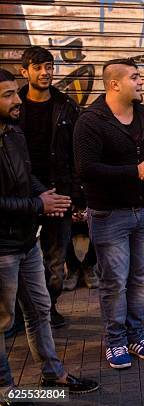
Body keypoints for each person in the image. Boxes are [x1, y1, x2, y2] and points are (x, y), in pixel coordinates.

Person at [0, 68, 99, 403]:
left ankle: (53, 376)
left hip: (25, 242)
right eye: (8, 95)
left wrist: (52, 198)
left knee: (40, 310)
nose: (18, 100)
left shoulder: (13, 133)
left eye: (16, 92)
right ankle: (5, 390)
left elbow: (28, 177)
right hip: (2, 247)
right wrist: (36, 204)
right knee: (2, 320)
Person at [74, 58, 144, 369]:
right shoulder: (91, 121)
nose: (142, 82)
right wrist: (134, 172)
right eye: (136, 77)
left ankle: (135, 334)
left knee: (140, 278)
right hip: (108, 216)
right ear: (115, 84)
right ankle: (115, 341)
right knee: (114, 281)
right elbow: (86, 169)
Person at [18, 46, 81, 328]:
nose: (45, 73)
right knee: (19, 258)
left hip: (59, 193)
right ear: (25, 71)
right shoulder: (12, 106)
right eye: (38, 67)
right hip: (22, 195)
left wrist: (78, 197)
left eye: (50, 67)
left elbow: (78, 153)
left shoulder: (66, 106)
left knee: (55, 262)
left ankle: (49, 307)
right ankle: (24, 312)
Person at [63, 209, 98, 291]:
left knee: (101, 229)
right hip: (68, 212)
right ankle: (72, 266)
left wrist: (90, 213)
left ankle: (88, 264)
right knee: (60, 229)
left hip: (92, 212)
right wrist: (68, 215)